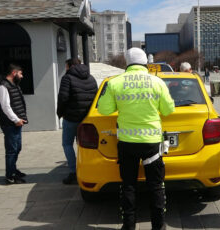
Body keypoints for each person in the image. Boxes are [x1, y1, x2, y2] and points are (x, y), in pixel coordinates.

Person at [98, 47, 175, 230]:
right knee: (156, 186)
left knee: (129, 186)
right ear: (145, 63)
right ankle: (158, 226)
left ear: (127, 63)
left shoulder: (115, 82)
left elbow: (104, 109)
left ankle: (129, 226)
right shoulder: (157, 82)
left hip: (127, 144)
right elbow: (168, 110)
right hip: (152, 144)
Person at [57, 58, 98, 184]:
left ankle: (73, 172)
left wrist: (60, 113)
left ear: (70, 66)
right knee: (84, 145)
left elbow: (63, 97)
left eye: (66, 66)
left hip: (71, 118)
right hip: (86, 118)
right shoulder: (91, 78)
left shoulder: (67, 78)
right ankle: (87, 170)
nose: (65, 69)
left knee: (67, 144)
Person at [0, 64, 28, 184]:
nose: (22, 76)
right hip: (10, 124)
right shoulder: (3, 87)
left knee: (17, 148)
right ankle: (10, 176)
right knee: (11, 150)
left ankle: (13, 169)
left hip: (16, 123)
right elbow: (5, 106)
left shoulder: (14, 85)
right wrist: (16, 119)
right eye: (20, 73)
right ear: (14, 73)